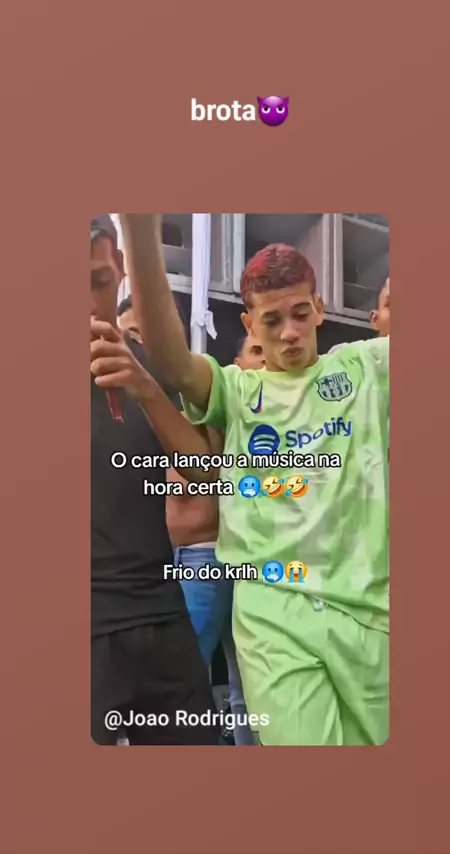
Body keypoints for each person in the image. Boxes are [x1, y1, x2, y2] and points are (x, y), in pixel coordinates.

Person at [120, 214, 390, 746]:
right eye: (272, 320)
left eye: (300, 314)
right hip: (274, 615)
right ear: (249, 326)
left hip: (370, 611)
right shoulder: (238, 391)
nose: (289, 332)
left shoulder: (365, 368)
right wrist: (138, 230)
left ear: (318, 309)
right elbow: (171, 362)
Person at [90, 214, 220, 746]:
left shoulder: (144, 361)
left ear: (121, 270)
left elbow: (204, 476)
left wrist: (143, 386)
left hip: (162, 611)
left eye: (98, 281)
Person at [167, 332, 264, 746]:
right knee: (201, 680)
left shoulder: (251, 418)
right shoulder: (214, 410)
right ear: (236, 366)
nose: (266, 360)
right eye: (256, 351)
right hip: (205, 557)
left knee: (229, 683)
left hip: (224, 559)